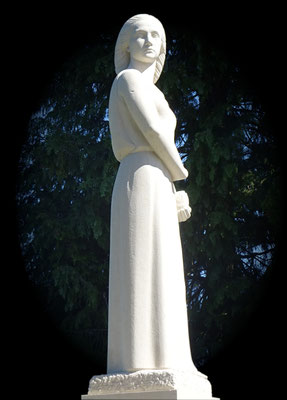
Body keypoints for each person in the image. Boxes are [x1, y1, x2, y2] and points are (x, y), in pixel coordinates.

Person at [107, 14, 196, 374]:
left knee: (165, 270)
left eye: (155, 35)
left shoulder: (155, 90)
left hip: (158, 180)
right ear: (126, 44)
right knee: (140, 268)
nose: (149, 40)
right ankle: (139, 361)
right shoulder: (127, 80)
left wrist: (174, 189)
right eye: (139, 34)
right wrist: (181, 172)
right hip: (140, 176)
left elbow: (161, 140)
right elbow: (154, 131)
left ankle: (172, 359)